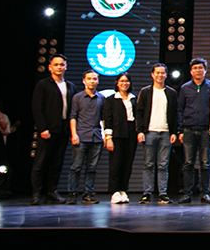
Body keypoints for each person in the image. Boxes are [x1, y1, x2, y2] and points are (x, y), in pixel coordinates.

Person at [30, 54, 77, 205]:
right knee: (40, 163)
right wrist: (42, 128)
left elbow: (73, 111)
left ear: (66, 67)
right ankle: (36, 193)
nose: (59, 67)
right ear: (50, 67)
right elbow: (37, 108)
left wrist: (71, 131)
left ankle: (52, 192)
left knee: (57, 163)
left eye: (62, 64)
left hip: (63, 130)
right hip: (48, 130)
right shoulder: (43, 85)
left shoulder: (70, 86)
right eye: (56, 64)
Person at [136, 63, 178, 204]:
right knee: (148, 164)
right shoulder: (145, 92)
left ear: (166, 75)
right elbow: (139, 112)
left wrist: (174, 132)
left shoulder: (171, 93)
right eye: (157, 73)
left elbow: (175, 114)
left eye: (162, 73)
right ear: (152, 75)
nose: (160, 75)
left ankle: (162, 194)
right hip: (150, 132)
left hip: (166, 132)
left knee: (163, 165)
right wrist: (140, 131)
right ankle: (146, 193)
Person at [178, 58, 210, 204]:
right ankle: (187, 193)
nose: (198, 71)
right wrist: (180, 130)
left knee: (205, 163)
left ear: (205, 70)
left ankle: (205, 193)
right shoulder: (185, 88)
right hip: (188, 130)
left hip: (205, 130)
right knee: (188, 163)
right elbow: (180, 109)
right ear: (190, 71)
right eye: (195, 68)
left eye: (200, 68)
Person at [67, 70, 105, 205]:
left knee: (92, 168)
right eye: (89, 79)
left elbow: (103, 118)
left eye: (94, 79)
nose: (92, 81)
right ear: (84, 81)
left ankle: (88, 194)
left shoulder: (101, 98)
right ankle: (72, 194)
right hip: (81, 136)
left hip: (96, 137)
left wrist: (105, 135)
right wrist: (74, 134)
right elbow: (73, 116)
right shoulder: (77, 97)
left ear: (98, 81)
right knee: (76, 167)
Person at [103, 72, 137, 204]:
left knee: (127, 163)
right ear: (117, 83)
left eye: (127, 81)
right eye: (122, 81)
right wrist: (108, 137)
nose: (124, 83)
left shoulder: (134, 98)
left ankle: (123, 190)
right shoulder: (111, 100)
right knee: (115, 164)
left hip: (131, 134)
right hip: (116, 134)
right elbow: (108, 120)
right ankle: (114, 191)